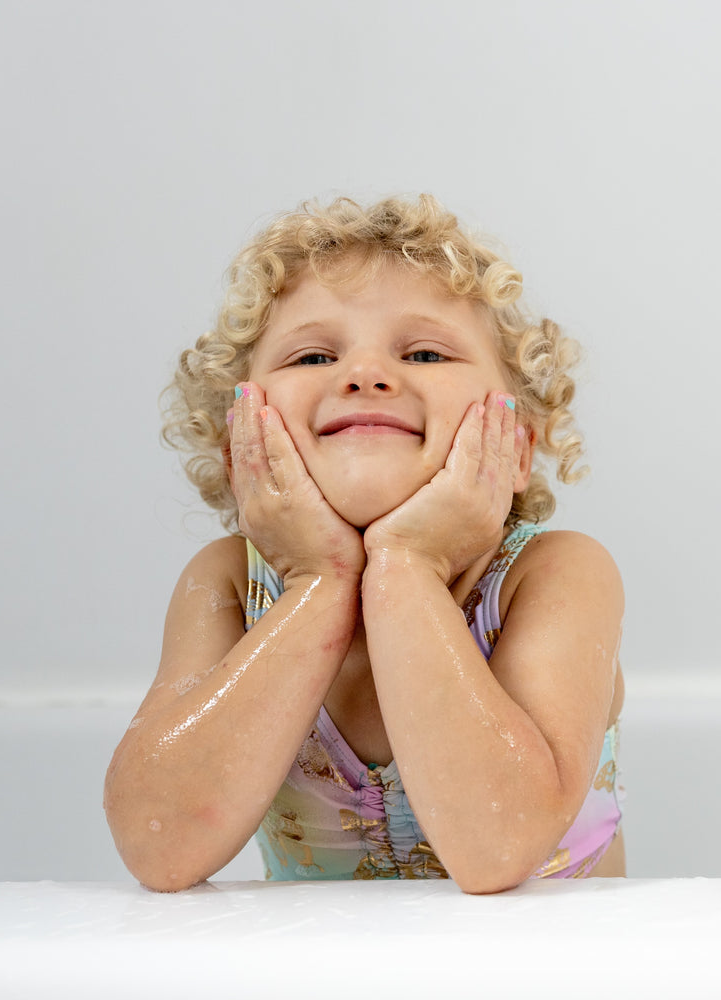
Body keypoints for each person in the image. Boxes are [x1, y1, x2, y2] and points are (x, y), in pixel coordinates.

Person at [104, 195, 625, 893]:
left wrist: (410, 564)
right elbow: (156, 846)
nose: (366, 374)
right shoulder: (229, 585)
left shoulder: (554, 574)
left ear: (517, 446)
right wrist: (319, 581)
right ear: (238, 445)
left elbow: (500, 847)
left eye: (426, 352)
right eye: (315, 354)